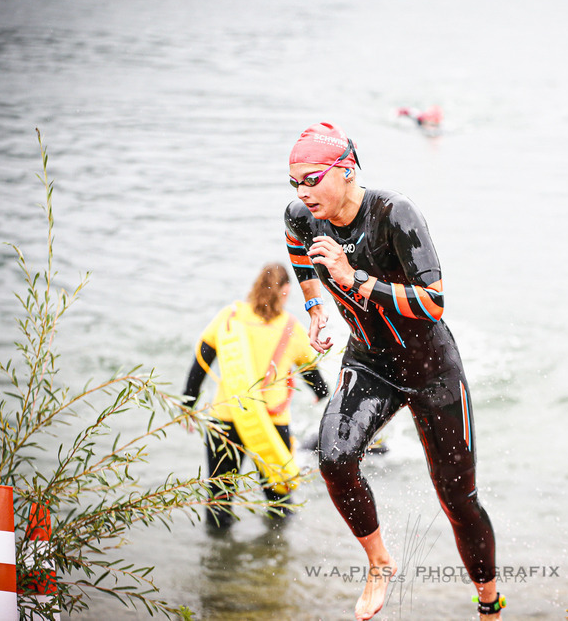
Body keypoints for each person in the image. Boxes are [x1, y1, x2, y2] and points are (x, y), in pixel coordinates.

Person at [284, 123, 504, 620]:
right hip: (370, 362)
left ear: (346, 170)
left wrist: (352, 279)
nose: (303, 192)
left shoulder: (394, 213)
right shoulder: (302, 216)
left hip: (432, 370)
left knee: (457, 497)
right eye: (294, 181)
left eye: (312, 179)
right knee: (334, 457)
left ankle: (489, 604)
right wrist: (316, 306)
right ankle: (380, 562)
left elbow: (433, 303)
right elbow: (297, 247)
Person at [182, 263, 331, 528]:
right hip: (271, 426)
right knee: (279, 501)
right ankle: (276, 560)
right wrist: (321, 395)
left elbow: (200, 365)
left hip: (225, 421)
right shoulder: (291, 328)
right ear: (285, 290)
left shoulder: (229, 317)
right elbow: (314, 378)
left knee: (220, 501)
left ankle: (218, 564)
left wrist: (188, 405)